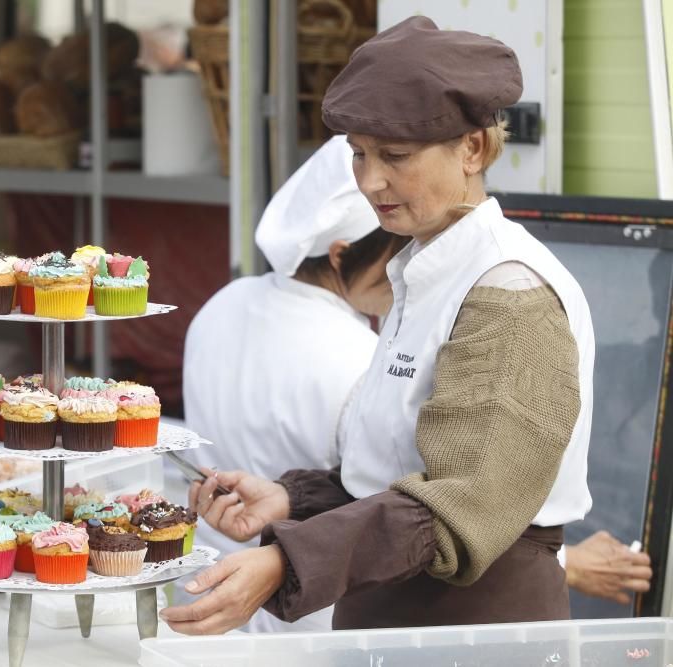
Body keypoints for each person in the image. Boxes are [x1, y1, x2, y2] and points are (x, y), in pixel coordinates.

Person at [162, 16, 596, 634]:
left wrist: (288, 559)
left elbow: (462, 506)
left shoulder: (509, 293)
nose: (370, 182)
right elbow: (399, 468)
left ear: (473, 147)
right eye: (359, 155)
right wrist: (294, 500)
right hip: (392, 613)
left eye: (394, 156)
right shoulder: (423, 271)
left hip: (475, 626)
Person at [182, 135, 408, 632]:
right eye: (397, 257)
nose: (406, 273)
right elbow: (390, 509)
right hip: (307, 614)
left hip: (209, 592)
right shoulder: (362, 361)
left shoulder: (223, 303)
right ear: (340, 253)